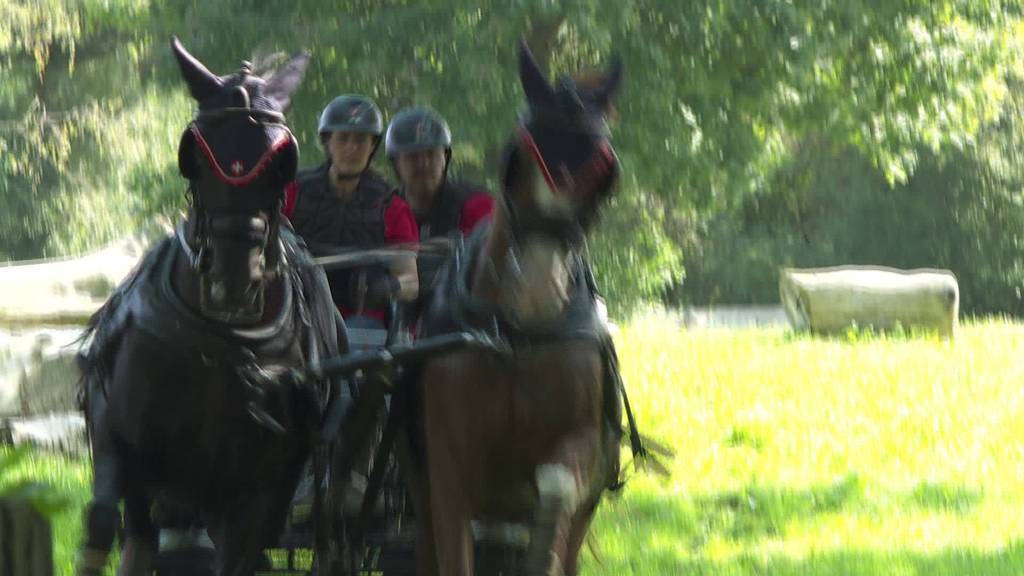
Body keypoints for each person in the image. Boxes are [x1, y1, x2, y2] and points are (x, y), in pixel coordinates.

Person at [284, 94, 418, 322]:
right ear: (327, 142)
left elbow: (411, 281)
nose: (351, 148)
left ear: (372, 146)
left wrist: (389, 286)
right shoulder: (292, 192)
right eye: (343, 138)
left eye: (360, 140)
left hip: (360, 322)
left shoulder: (392, 206)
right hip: (298, 313)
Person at [384, 107, 493, 308]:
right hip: (395, 318)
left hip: (461, 315)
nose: (424, 164)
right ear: (396, 163)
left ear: (445, 157)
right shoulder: (384, 208)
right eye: (413, 156)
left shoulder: (476, 205)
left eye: (431, 154)